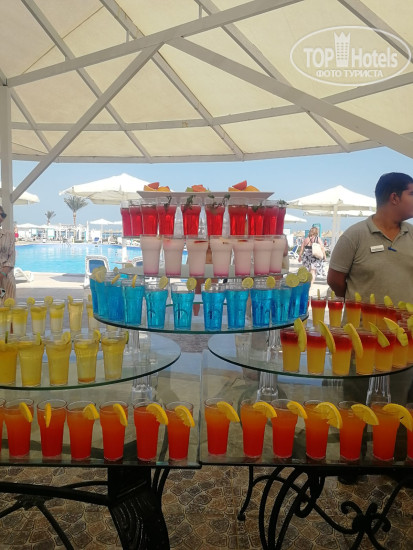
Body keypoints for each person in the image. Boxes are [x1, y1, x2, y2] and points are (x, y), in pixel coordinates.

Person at [327, 172, 413, 304]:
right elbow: (334, 281)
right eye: (412, 194)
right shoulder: (353, 236)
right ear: (395, 198)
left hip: (406, 318)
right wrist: (356, 304)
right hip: (361, 318)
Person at [0, 205, 16, 301]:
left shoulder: (9, 235)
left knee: (8, 304)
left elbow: (11, 258)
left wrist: (1, 275)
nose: (0, 217)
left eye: (2, 215)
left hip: (6, 277)